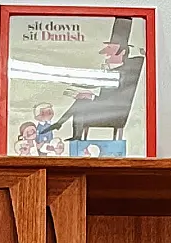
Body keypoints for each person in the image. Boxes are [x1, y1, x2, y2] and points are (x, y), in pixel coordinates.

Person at [54, 16, 145, 146]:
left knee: (82, 102)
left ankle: (65, 128)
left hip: (112, 112)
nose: (105, 54)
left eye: (110, 51)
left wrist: (91, 96)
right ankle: (71, 132)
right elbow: (98, 85)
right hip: (105, 106)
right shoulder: (115, 70)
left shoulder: (122, 73)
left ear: (122, 52)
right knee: (82, 100)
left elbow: (115, 98)